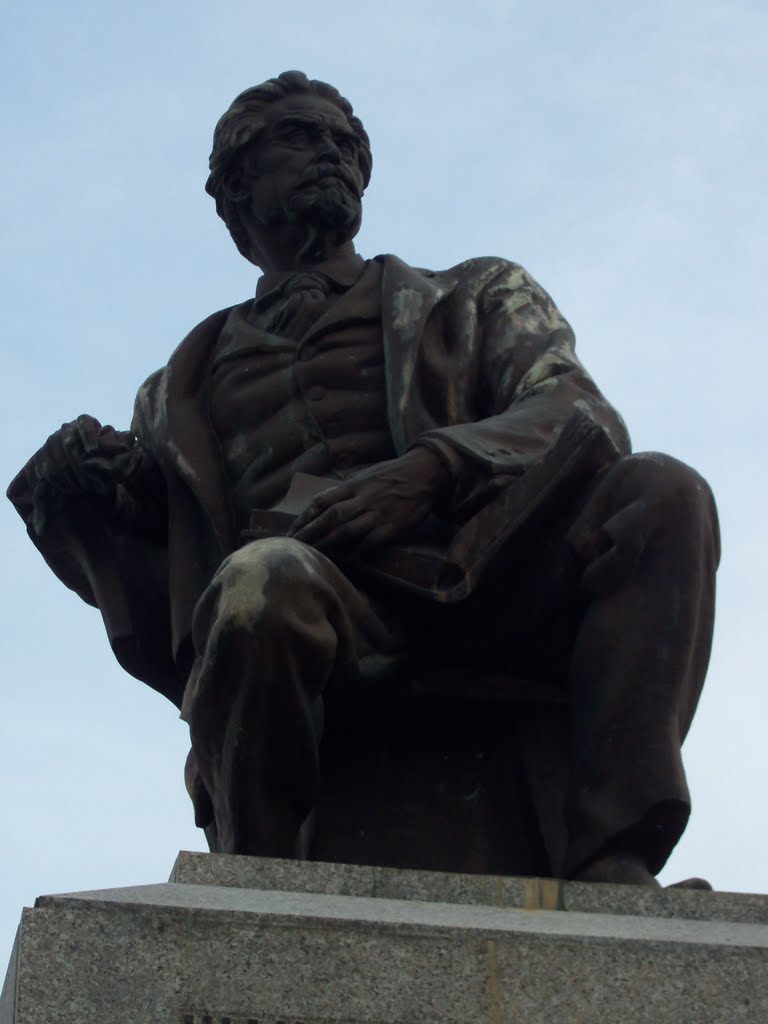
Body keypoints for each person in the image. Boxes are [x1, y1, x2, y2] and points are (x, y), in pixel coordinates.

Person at [8, 71, 720, 886]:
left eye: (347, 145)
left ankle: (614, 857)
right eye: (303, 139)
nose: (333, 157)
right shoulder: (175, 392)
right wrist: (90, 488)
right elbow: (162, 570)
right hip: (323, 605)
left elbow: (574, 409)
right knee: (256, 584)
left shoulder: (474, 294)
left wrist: (430, 469)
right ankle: (261, 885)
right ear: (236, 188)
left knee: (666, 493)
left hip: (481, 574)